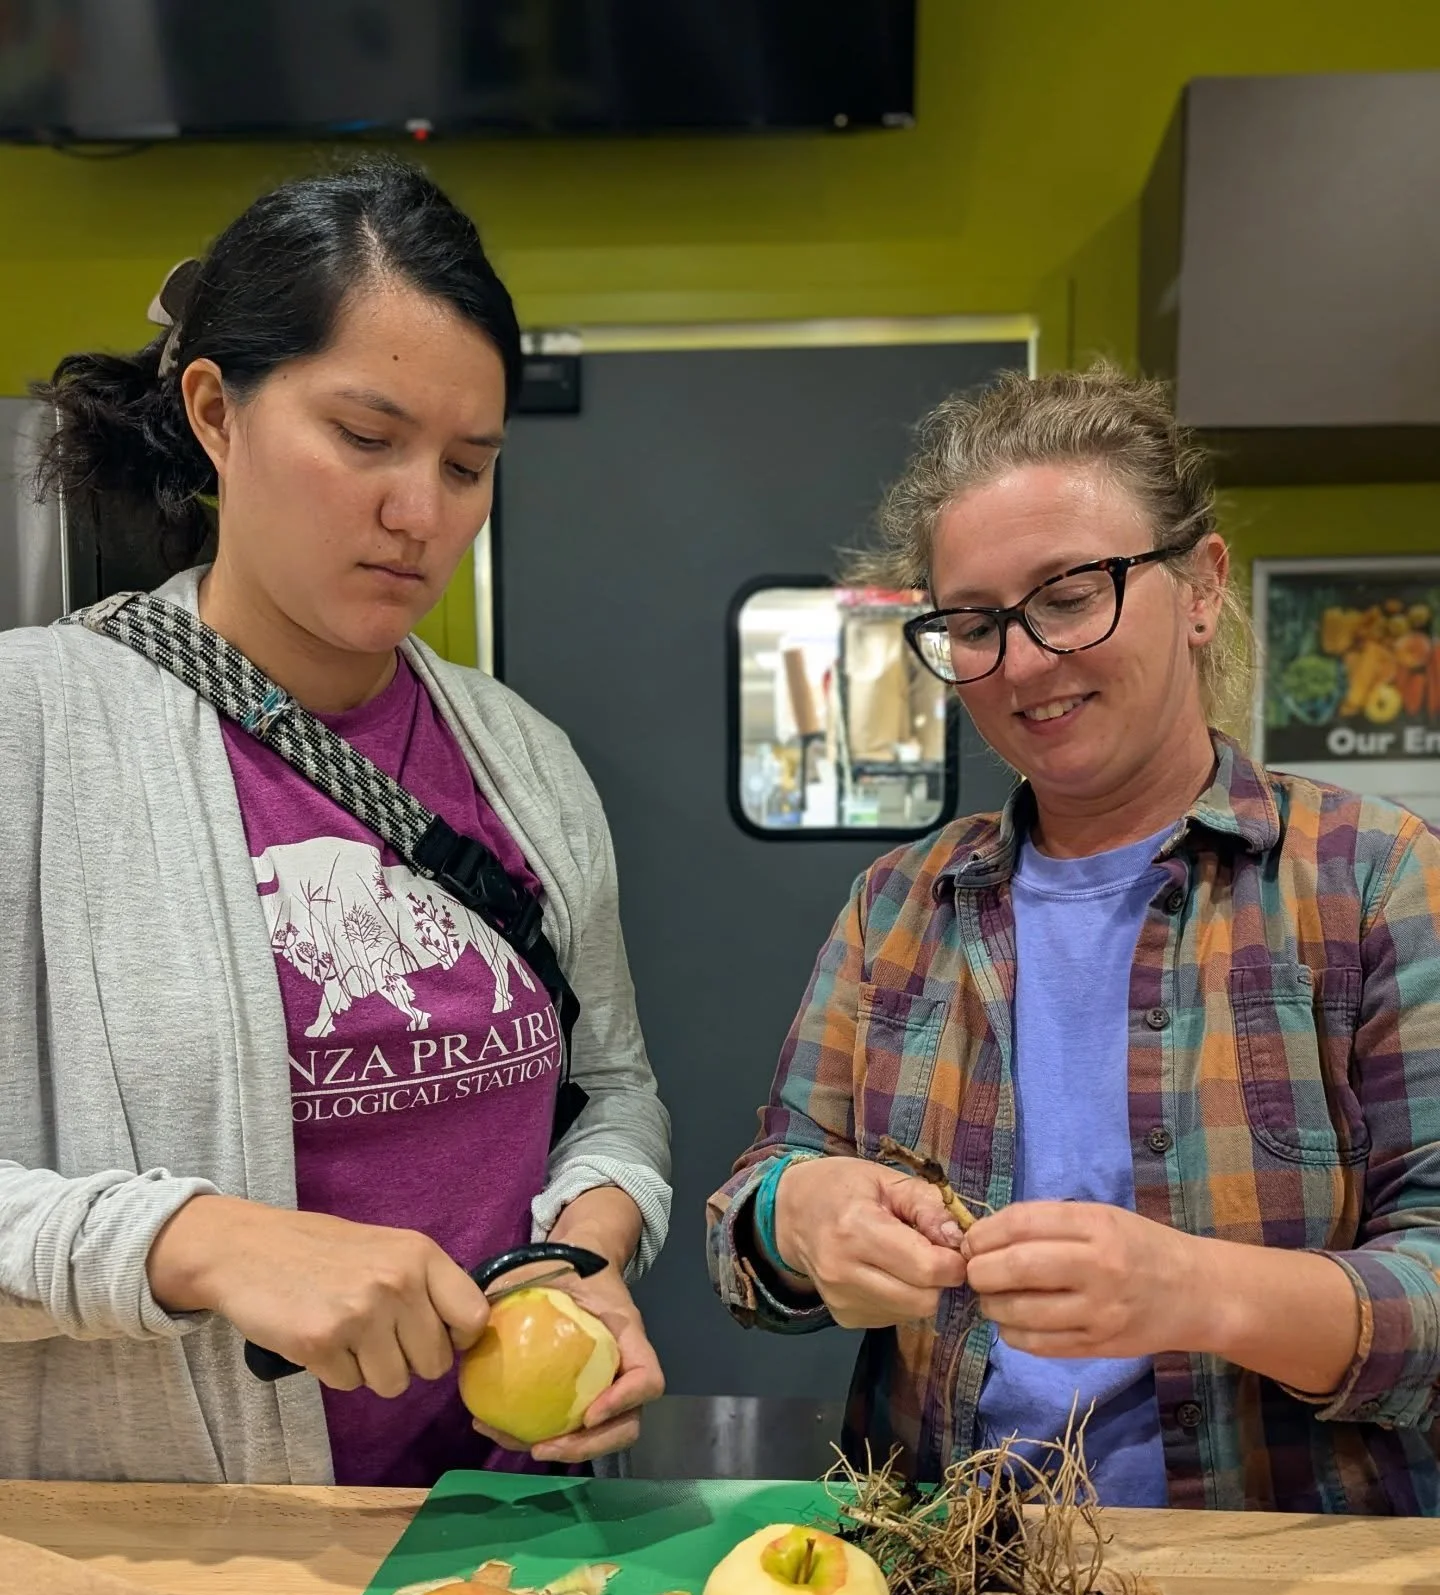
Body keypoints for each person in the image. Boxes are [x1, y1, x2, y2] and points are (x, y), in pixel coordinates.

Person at [0, 162, 670, 1485]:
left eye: (467, 466)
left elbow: (615, 1094)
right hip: (191, 1583)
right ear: (216, 413)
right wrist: (197, 1242)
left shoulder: (526, 763)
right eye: (366, 439)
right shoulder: (35, 734)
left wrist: (583, 1255)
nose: (420, 512)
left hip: (505, 1538)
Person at [709, 364, 1440, 1516]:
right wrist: (797, 1218)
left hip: (1265, 1576)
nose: (1024, 662)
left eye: (1070, 594)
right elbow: (756, 1211)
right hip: (951, 1556)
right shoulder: (900, 904)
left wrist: (1203, 1291)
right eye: (975, 623)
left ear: (1202, 586)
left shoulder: (1376, 878)